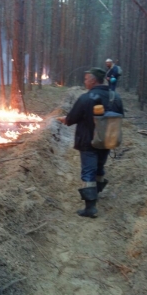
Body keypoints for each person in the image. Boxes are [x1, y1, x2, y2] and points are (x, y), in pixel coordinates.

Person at [56, 68, 124, 218]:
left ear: (93, 80)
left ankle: (90, 207)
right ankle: (97, 193)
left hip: (88, 142)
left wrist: (64, 119)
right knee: (100, 167)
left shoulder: (86, 98)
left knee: (88, 172)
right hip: (107, 140)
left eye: (86, 79)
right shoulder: (116, 97)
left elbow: (72, 118)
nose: (85, 81)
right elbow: (120, 116)